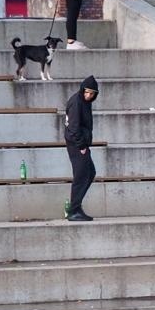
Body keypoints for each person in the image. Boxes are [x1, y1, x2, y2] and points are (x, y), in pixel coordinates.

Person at [64, 75, 99, 222]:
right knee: (81, 176)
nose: (88, 96)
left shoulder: (85, 102)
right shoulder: (77, 102)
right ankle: (73, 210)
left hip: (81, 143)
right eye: (87, 92)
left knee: (90, 173)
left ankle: (76, 206)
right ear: (82, 90)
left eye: (92, 94)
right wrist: (81, 146)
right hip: (77, 144)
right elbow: (73, 127)